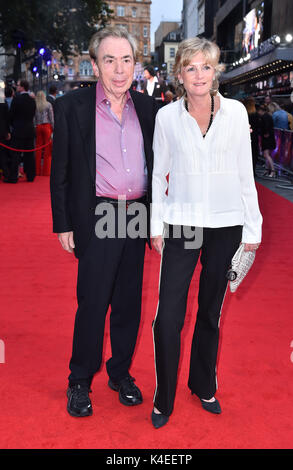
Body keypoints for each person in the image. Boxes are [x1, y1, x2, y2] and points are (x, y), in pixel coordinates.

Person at [150, 37, 262, 429]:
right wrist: (155, 226)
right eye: (190, 67)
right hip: (182, 224)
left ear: (216, 71)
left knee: (211, 312)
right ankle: (163, 397)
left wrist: (254, 228)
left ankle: (203, 384)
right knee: (169, 317)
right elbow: (158, 173)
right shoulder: (166, 117)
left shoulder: (234, 113)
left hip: (226, 225)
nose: (199, 74)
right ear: (179, 74)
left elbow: (245, 173)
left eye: (206, 66)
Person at [50, 26, 158, 418]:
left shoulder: (149, 109)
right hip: (97, 214)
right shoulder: (71, 107)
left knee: (129, 303)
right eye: (109, 60)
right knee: (93, 302)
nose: (118, 69)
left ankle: (120, 372)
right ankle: (79, 380)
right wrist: (63, 224)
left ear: (135, 64)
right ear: (95, 64)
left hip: (136, 215)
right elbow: (59, 171)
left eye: (126, 60)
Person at [9, 79, 36, 182]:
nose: (16, 86)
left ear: (22, 87)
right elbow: (33, 114)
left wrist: (13, 125)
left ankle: (13, 177)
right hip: (29, 129)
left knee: (15, 154)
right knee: (29, 154)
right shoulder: (32, 100)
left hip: (18, 130)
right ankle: (30, 176)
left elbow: (11, 115)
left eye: (18, 85)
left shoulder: (16, 99)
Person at [34, 91, 54, 176]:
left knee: (38, 148)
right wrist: (54, 128)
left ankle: (37, 171)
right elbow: (51, 118)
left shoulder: (35, 105)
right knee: (47, 149)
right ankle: (46, 171)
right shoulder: (48, 104)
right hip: (47, 126)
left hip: (38, 126)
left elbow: (33, 118)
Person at [257, 104, 276, 177]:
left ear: (261, 111)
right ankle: (268, 170)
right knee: (267, 155)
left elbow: (266, 126)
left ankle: (272, 171)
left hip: (267, 138)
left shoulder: (265, 117)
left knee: (266, 155)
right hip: (269, 138)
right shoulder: (268, 116)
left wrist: (265, 133)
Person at [243, 96, 261, 175]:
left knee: (245, 154)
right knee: (254, 154)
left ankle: (245, 170)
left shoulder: (243, 113)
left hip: (244, 136)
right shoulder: (256, 114)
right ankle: (253, 171)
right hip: (254, 136)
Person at [0, 84, 11, 181]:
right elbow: (7, 119)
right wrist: (7, 131)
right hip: (2, 131)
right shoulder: (4, 104)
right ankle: (6, 174)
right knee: (3, 154)